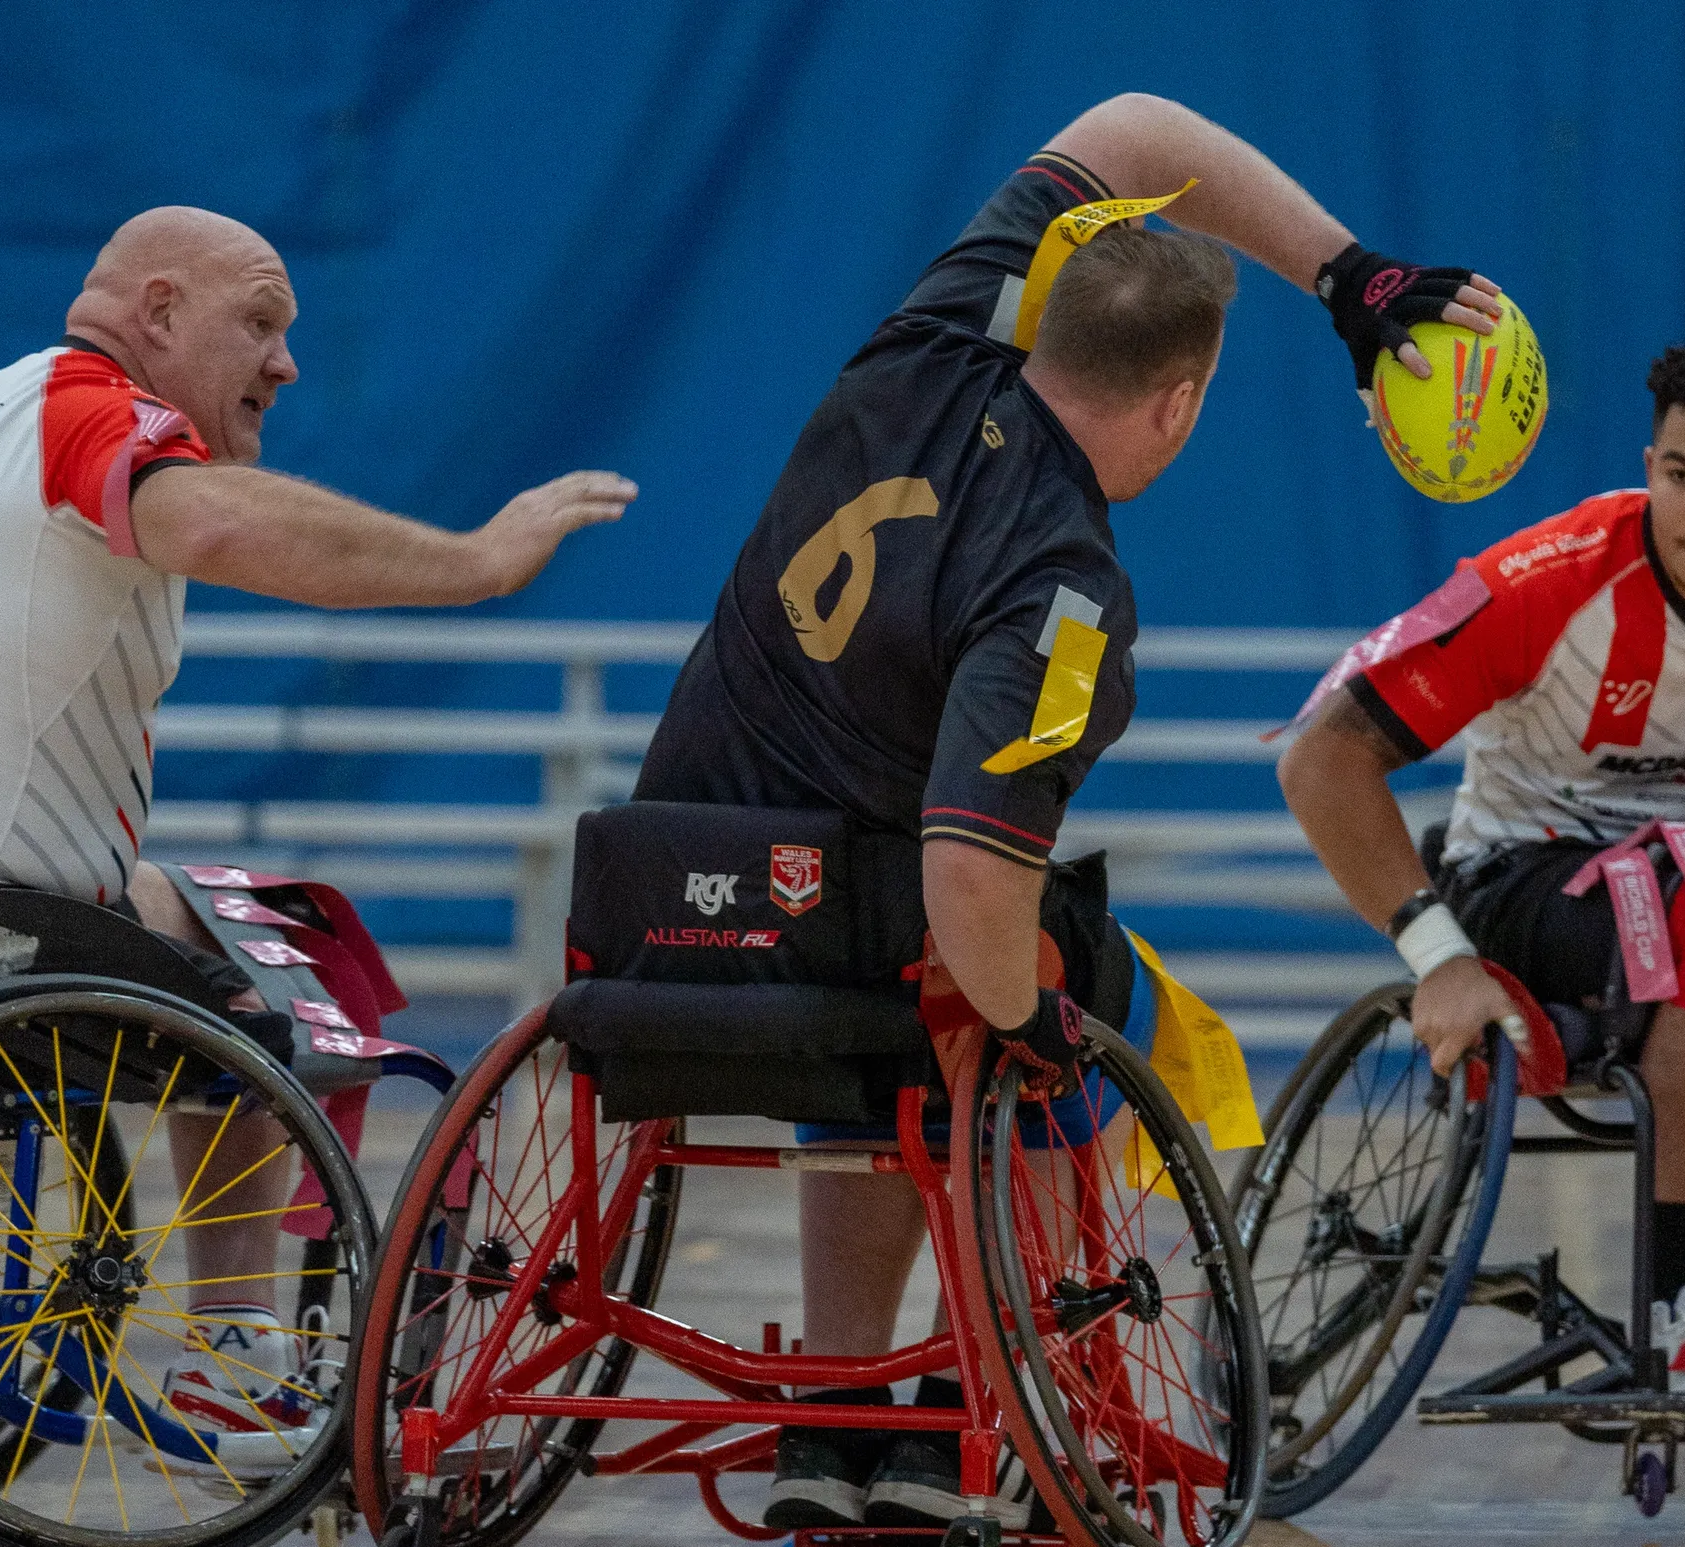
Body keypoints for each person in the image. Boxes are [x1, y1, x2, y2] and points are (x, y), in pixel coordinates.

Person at [633, 92, 1503, 1528]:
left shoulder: (929, 338)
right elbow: (975, 892)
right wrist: (1033, 1020)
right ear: (1178, 403)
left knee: (901, 947)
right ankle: (1009, 1390)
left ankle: (832, 1402)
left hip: (664, 902)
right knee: (1066, 996)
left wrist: (1354, 273)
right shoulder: (1064, 585)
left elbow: (1136, 122)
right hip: (849, 943)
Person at [0, 206, 636, 1456]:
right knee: (269, 977)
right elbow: (220, 523)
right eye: (262, 324)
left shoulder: (1, 406)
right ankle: (231, 1346)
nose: (286, 363)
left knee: (272, 912)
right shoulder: (89, 411)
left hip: (34, 898)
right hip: (12, 924)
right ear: (157, 313)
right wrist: (478, 559)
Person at [1276, 332, 1685, 1393]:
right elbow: (1324, 757)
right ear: (1648, 469)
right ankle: (1681, 1302)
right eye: (1679, 475)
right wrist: (1439, 955)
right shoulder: (1542, 584)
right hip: (1520, 879)